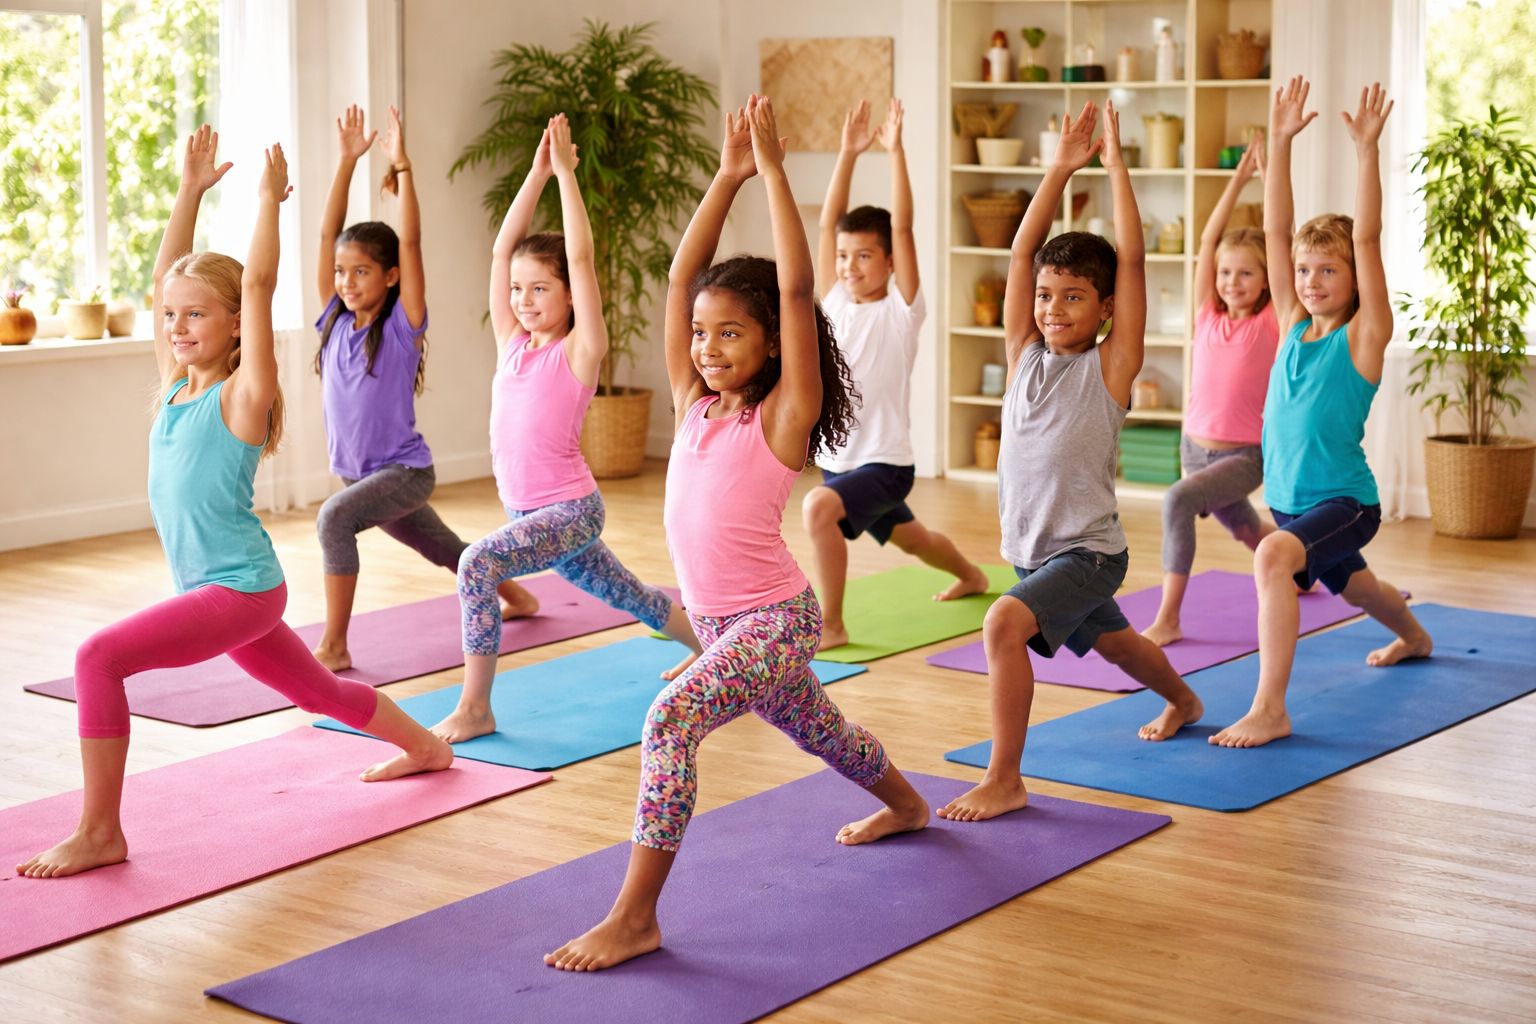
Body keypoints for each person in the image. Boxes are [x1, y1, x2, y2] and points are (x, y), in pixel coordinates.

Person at [544, 96, 929, 972]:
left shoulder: (785, 417)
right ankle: (906, 804)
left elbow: (797, 288)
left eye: (731, 334)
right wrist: (725, 177)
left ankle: (637, 916)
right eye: (700, 335)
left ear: (770, 345)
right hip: (720, 625)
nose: (709, 346)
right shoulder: (694, 403)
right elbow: (680, 283)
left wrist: (778, 176)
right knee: (820, 730)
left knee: (669, 720)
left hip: (774, 620)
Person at [17, 127, 452, 879]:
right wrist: (188, 191)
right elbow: (163, 281)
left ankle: (99, 831)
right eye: (171, 317)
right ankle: (427, 748)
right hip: (224, 590)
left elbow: (257, 284)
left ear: (233, 327)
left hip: (238, 589)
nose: (177, 327)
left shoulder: (244, 397)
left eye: (196, 316)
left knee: (98, 658)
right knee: (318, 690)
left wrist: (265, 205)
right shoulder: (177, 384)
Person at [938, 101, 1205, 824]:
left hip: (1088, 552)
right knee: (1118, 645)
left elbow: (1137, 258)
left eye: (1075, 298)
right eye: (1048, 298)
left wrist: (1114, 165)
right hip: (1034, 553)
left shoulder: (1111, 367)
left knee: (1001, 626)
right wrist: (1058, 168)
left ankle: (1005, 778)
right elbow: (1020, 257)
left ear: (1107, 309)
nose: (1054, 309)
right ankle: (1184, 698)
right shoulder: (1022, 352)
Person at [431, 114, 700, 744]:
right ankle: (710, 645)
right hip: (532, 512)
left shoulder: (580, 350)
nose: (524, 300)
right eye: (518, 291)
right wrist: (534, 174)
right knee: (629, 593)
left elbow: (580, 255)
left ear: (570, 295)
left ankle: (475, 707)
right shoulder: (512, 344)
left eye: (540, 289)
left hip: (569, 509)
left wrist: (569, 180)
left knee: (476, 565)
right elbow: (502, 252)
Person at [1211, 79, 1432, 749]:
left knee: (1274, 559)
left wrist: (1366, 150)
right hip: (1289, 501)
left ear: (1355, 280)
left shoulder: (1363, 337)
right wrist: (1278, 144)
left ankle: (1271, 708)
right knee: (1359, 590)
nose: (1310, 280)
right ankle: (1415, 635)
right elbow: (1275, 229)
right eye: (1304, 271)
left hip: (1346, 500)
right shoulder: (1291, 327)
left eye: (1327, 271)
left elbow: (1367, 235)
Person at [310, 104, 537, 673]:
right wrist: (346, 163)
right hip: (361, 474)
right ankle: (516, 594)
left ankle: (335, 646)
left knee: (333, 520)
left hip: (403, 473)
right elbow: (324, 235)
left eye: (361, 271)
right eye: (342, 272)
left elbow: (410, 243)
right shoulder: (335, 322)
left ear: (388, 277)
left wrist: (403, 168)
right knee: (443, 549)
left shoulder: (400, 329)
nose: (346, 282)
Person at [802, 98, 987, 649]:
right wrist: (848, 152)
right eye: (843, 256)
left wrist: (896, 152)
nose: (849, 267)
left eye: (864, 257)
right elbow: (826, 221)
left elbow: (902, 226)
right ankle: (971, 575)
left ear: (887, 263)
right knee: (914, 540)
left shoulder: (902, 310)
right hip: (839, 461)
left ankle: (832, 624)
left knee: (817, 509)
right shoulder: (832, 302)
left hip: (886, 463)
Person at [1143, 133, 1280, 646]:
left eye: (1246, 273)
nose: (1232, 280)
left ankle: (1170, 618)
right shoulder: (1206, 315)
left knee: (1177, 502)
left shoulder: (1270, 322)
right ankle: (1304, 566)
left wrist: (1268, 184)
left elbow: (1281, 245)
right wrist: (1238, 180)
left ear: (1267, 281)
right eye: (1226, 272)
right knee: (1245, 528)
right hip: (1193, 446)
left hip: (1244, 455)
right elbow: (1205, 242)